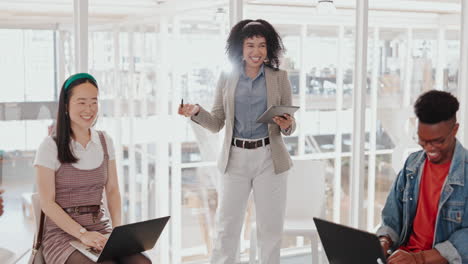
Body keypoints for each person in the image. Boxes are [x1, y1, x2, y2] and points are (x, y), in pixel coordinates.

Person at [179, 19, 296, 264]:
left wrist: (287, 125)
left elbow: (289, 122)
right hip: (235, 158)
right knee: (227, 228)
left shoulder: (280, 77)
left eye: (262, 45)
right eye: (250, 45)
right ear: (239, 48)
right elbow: (217, 122)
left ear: (269, 48)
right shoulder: (226, 77)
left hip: (269, 157)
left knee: (270, 229)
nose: (256, 51)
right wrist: (196, 112)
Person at [34, 73, 151, 264]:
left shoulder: (105, 141)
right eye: (81, 102)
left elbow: (113, 190)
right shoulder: (49, 146)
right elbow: (48, 203)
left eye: (93, 102)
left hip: (100, 230)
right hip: (63, 235)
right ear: (65, 105)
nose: (89, 109)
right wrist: (82, 234)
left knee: (141, 261)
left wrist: (117, 232)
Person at [377, 90, 468, 264]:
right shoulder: (412, 164)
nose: (429, 149)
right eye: (423, 141)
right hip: (401, 257)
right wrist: (383, 241)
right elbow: (392, 216)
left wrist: (419, 258)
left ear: (454, 130)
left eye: (438, 141)